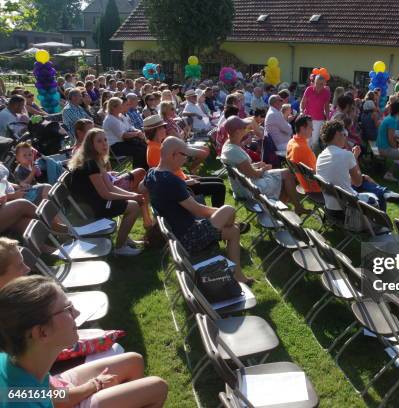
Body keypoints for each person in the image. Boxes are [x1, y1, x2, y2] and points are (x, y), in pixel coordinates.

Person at [0, 275, 168, 408]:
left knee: (134, 360)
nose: (77, 313)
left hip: (57, 388)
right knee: (158, 387)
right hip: (59, 396)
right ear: (42, 332)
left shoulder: (21, 362)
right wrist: (94, 386)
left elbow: (44, 394)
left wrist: (92, 386)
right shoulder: (21, 401)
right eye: (67, 309)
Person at [144, 137, 252, 284]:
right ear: (173, 155)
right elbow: (198, 211)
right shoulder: (172, 181)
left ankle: (238, 275)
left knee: (233, 231)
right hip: (189, 238)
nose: (187, 160)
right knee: (229, 209)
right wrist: (220, 213)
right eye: (185, 156)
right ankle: (234, 224)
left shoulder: (151, 174)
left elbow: (140, 189)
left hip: (178, 235)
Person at [68, 128, 144, 256]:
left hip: (94, 202)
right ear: (91, 145)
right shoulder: (90, 164)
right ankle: (120, 247)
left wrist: (133, 195)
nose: (104, 144)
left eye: (105, 140)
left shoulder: (96, 160)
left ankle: (124, 238)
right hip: (90, 208)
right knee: (134, 207)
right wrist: (133, 198)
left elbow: (111, 187)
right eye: (99, 141)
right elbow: (106, 194)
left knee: (132, 202)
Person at [316, 120, 399, 214]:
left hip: (331, 206)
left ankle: (386, 193)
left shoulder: (321, 156)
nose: (346, 137)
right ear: (338, 134)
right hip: (347, 207)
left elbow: (339, 178)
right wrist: (355, 158)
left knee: (364, 178)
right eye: (345, 134)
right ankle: (382, 225)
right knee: (376, 197)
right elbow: (357, 182)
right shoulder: (345, 155)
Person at [221, 116, 306, 214]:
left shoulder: (229, 144)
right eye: (244, 128)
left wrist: (257, 165)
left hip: (245, 183)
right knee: (286, 181)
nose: (246, 129)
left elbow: (242, 169)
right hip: (249, 188)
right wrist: (264, 168)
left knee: (287, 174)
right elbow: (255, 175)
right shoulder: (234, 151)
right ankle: (281, 212)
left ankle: (288, 209)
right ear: (237, 132)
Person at [145, 115, 225, 208]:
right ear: (156, 130)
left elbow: (173, 169)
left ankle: (218, 214)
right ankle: (219, 218)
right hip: (180, 186)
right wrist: (186, 181)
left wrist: (187, 176)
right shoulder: (154, 149)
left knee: (219, 181)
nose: (165, 129)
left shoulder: (157, 145)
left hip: (183, 180)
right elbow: (165, 178)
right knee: (219, 188)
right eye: (163, 127)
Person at [103, 97, 148, 170]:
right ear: (114, 107)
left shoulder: (121, 116)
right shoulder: (110, 120)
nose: (122, 106)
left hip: (124, 142)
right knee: (138, 150)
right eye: (120, 105)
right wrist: (137, 134)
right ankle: (137, 171)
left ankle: (146, 168)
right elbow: (123, 135)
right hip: (115, 146)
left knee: (144, 146)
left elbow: (130, 127)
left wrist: (138, 131)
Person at [376, 101, 399, 188]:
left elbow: (390, 135)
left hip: (380, 146)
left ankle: (389, 174)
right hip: (383, 149)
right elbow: (390, 138)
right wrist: (395, 148)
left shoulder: (388, 118)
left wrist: (396, 144)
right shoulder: (392, 120)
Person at [286, 114, 320, 194]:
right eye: (310, 127)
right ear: (302, 128)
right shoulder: (302, 148)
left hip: (305, 185)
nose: (313, 129)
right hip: (315, 189)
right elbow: (315, 173)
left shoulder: (291, 142)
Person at [300, 75, 331, 152]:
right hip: (307, 118)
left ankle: (311, 157)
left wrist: (327, 118)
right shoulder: (309, 89)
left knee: (314, 141)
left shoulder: (326, 92)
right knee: (307, 139)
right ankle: (305, 157)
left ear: (324, 84)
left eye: (321, 84)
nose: (319, 86)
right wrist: (301, 111)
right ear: (314, 82)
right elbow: (303, 102)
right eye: (317, 83)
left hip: (319, 119)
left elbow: (326, 107)